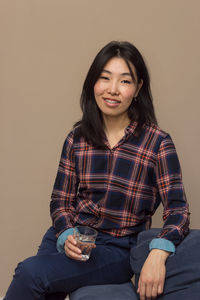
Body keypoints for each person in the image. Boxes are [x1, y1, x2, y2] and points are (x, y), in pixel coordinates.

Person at [4, 41, 190, 300]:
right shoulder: (76, 138)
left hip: (117, 249)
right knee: (41, 291)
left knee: (30, 273)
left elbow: (178, 211)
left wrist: (159, 252)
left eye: (125, 81)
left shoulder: (157, 144)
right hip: (69, 237)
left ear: (138, 88)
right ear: (93, 83)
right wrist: (67, 234)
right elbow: (60, 201)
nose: (112, 90)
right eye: (104, 78)